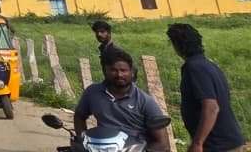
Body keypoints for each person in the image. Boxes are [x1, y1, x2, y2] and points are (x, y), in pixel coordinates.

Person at [167, 23, 245, 152]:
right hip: (224, 142)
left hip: (218, 145)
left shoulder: (195, 68)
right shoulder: (208, 65)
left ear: (177, 45)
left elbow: (211, 107)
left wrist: (198, 143)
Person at [73, 48, 170, 151]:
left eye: (123, 70)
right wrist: (82, 139)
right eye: (114, 70)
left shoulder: (145, 101)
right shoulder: (92, 92)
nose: (119, 75)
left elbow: (163, 144)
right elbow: (79, 116)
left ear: (132, 72)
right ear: (105, 71)